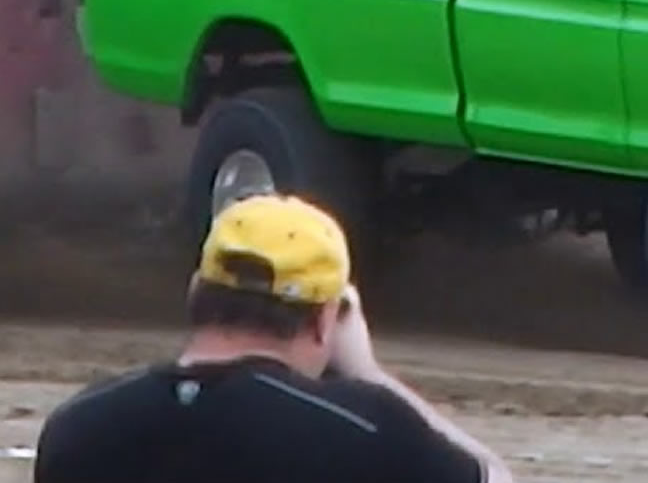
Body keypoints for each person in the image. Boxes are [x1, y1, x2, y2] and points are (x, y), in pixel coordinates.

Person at [34, 192, 514, 483]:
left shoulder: (78, 426)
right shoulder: (366, 429)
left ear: (196, 292)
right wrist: (370, 373)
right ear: (326, 321)